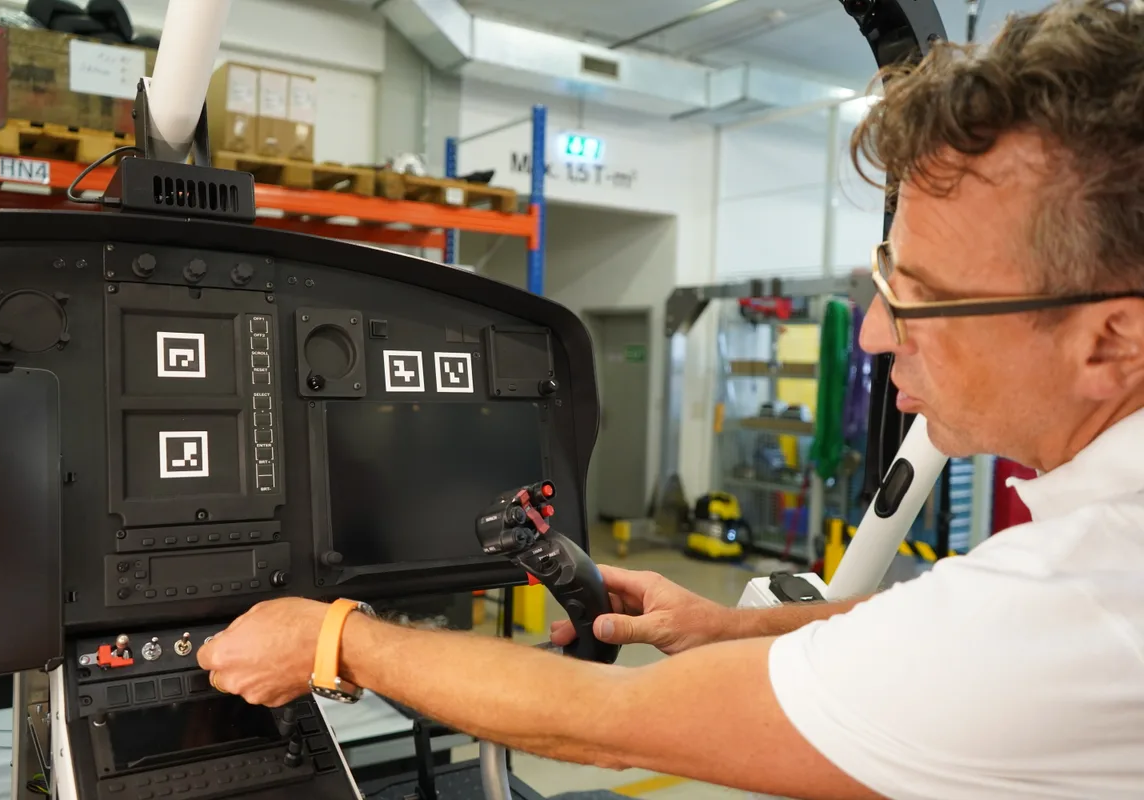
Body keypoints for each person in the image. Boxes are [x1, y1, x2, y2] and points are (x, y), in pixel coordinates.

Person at [198, 2, 1144, 797]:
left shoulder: (1094, 603)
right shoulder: (1085, 556)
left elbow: (612, 723)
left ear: (1114, 337)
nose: (872, 334)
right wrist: (728, 627)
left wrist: (332, 639)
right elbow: (935, 622)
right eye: (886, 278)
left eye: (924, 298)